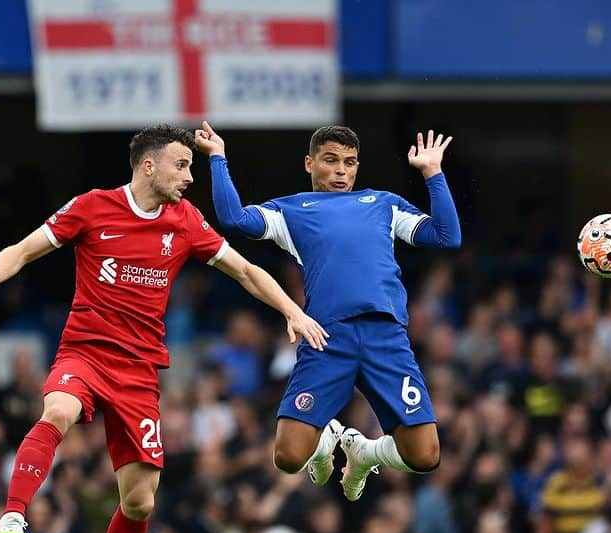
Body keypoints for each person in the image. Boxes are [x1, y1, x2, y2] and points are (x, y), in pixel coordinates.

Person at [0, 125, 327, 533]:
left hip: (138, 373)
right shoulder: (92, 207)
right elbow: (24, 248)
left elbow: (246, 271)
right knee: (57, 409)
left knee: (140, 500)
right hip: (84, 352)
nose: (189, 176)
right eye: (182, 165)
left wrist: (291, 309)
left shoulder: (185, 222)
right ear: (149, 165)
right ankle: (15, 513)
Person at [196, 122, 461, 502]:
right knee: (287, 457)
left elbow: (446, 236)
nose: (341, 170)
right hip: (326, 337)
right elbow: (235, 219)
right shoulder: (291, 210)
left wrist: (433, 174)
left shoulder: (383, 203)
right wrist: (218, 157)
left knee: (425, 455)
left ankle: (365, 452)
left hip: (384, 337)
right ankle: (325, 444)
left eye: (350, 163)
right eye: (331, 160)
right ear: (309, 163)